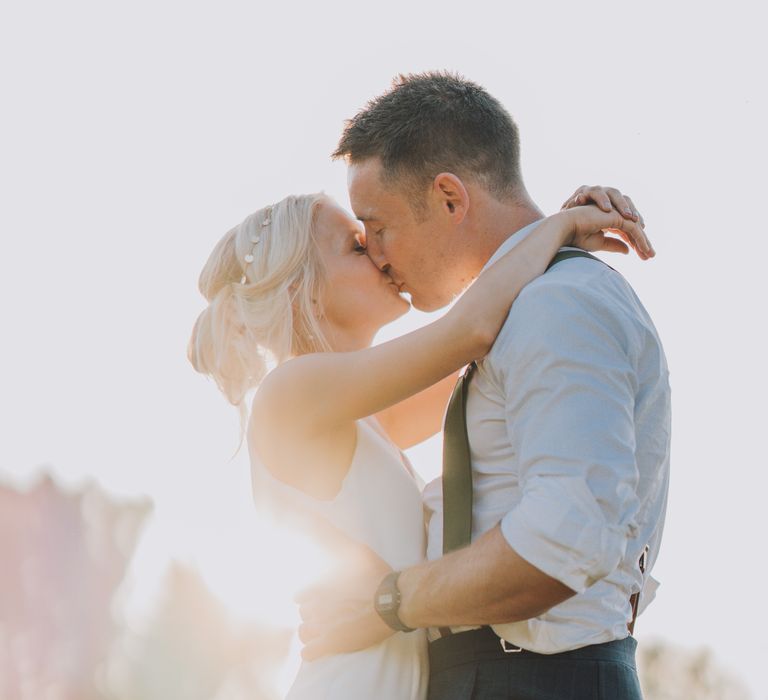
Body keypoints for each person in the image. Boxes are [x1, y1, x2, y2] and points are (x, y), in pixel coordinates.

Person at [188, 183, 652, 697]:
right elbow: (472, 329)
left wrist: (554, 247)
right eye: (359, 248)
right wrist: (556, 229)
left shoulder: (362, 418)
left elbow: (495, 354)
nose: (384, 257)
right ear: (305, 288)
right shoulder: (290, 394)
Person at [298, 72, 670, 700]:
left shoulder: (562, 306)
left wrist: (387, 603)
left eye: (378, 226)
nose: (377, 253)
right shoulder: (516, 315)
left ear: (449, 198)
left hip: (537, 680)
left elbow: (563, 536)